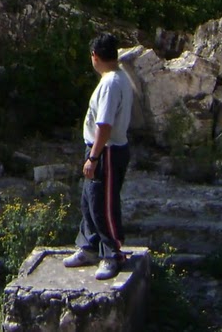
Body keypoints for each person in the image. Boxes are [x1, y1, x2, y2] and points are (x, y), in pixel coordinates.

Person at [63, 33, 133, 280]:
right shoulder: (117, 77)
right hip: (102, 149)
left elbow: (104, 125)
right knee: (89, 201)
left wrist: (93, 158)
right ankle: (89, 247)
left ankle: (112, 254)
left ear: (95, 56)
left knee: (103, 203)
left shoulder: (111, 83)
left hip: (107, 151)